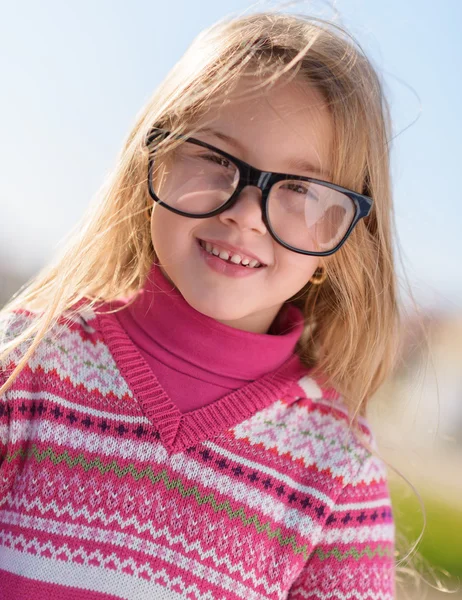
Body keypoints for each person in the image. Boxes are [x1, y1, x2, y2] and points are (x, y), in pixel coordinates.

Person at [0, 10, 399, 600]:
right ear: (151, 161)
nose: (243, 211)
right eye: (215, 157)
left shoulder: (338, 470)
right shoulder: (26, 362)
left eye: (300, 189)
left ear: (339, 242)